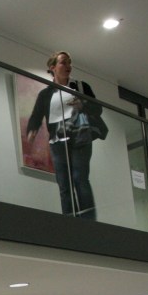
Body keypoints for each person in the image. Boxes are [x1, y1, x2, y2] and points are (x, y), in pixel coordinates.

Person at [26, 50, 103, 220]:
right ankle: (69, 220)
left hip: (80, 135)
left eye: (69, 63)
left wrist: (82, 104)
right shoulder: (46, 94)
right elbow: (37, 115)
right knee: (63, 183)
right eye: (63, 62)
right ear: (53, 67)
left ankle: (89, 221)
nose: (68, 66)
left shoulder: (81, 87)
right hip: (57, 140)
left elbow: (98, 109)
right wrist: (32, 130)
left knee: (80, 178)